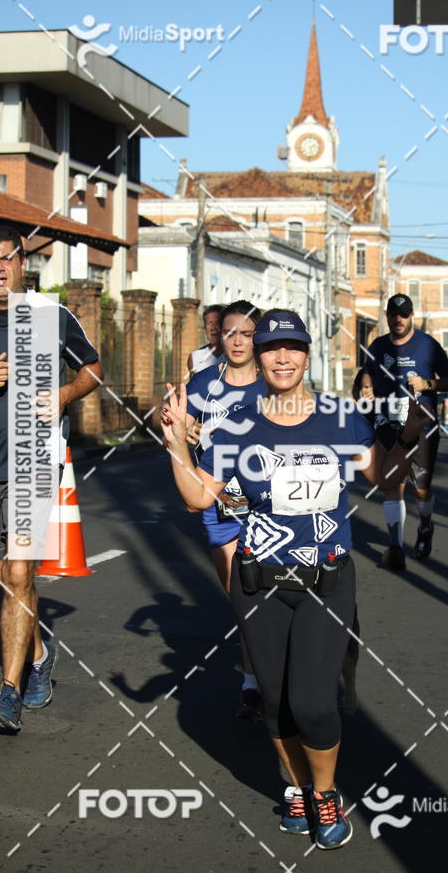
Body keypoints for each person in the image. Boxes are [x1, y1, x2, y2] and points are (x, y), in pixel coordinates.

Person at [162, 308, 427, 850]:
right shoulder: (236, 424)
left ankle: (325, 793)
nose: (282, 358)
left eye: (293, 348)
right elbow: (198, 499)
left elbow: (384, 478)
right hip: (258, 582)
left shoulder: (340, 417)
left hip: (325, 580)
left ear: (307, 355)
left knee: (312, 702)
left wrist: (412, 431)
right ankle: (299, 789)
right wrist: (175, 440)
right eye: (271, 348)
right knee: (276, 701)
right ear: (258, 357)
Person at [0, 226, 102, 731]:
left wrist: (63, 394)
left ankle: (8, 692)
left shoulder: (49, 316)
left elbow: (92, 370)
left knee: (18, 572)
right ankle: (38, 654)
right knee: (4, 576)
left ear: (21, 261)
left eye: (6, 258)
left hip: (31, 462)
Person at [185, 300, 266, 721]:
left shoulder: (272, 384)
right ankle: (255, 678)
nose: (237, 341)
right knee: (241, 595)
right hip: (220, 504)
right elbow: (177, 431)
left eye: (247, 334)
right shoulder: (202, 382)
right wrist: (184, 431)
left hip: (266, 504)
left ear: (258, 338)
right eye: (230, 332)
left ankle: (258, 682)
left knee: (267, 594)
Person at [360, 294, 448, 571]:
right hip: (388, 425)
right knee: (392, 484)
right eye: (393, 314)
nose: (398, 319)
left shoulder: (428, 345)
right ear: (387, 316)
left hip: (421, 426)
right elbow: (367, 372)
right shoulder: (378, 345)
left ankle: (425, 525)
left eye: (403, 314)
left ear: (411, 315)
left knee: (421, 490)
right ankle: (396, 546)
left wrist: (426, 384)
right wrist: (367, 386)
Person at [187, 304, 224, 374]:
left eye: (217, 323)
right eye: (209, 323)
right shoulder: (195, 357)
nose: (213, 328)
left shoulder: (236, 356)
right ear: (204, 327)